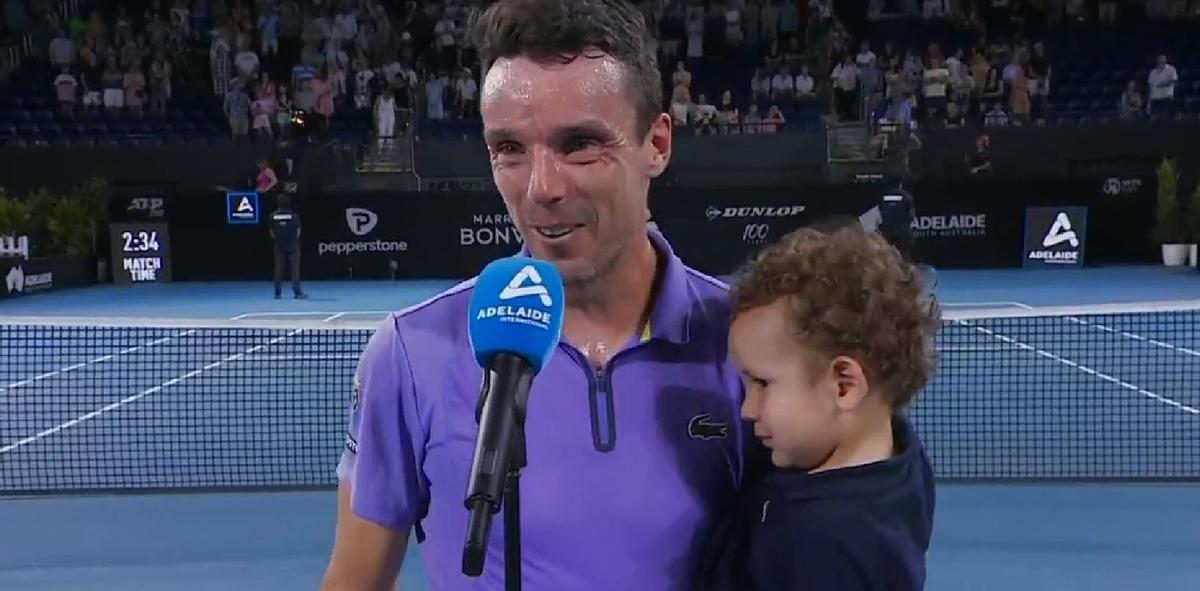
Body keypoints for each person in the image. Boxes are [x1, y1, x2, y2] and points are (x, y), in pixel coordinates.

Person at [319, 1, 750, 589]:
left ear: (656, 142)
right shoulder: (409, 354)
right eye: (510, 150)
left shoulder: (751, 345)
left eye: (580, 144)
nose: (541, 189)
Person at [702, 223, 939, 590]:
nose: (747, 409)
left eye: (762, 383)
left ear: (844, 385)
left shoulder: (823, 544)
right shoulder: (902, 460)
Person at [268, 194, 305, 300]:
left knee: (278, 268)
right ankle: (297, 293)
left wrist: (279, 240)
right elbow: (298, 232)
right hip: (293, 244)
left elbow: (272, 233)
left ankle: (277, 293)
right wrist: (293, 240)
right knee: (295, 269)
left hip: (279, 245)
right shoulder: (294, 216)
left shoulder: (272, 216)